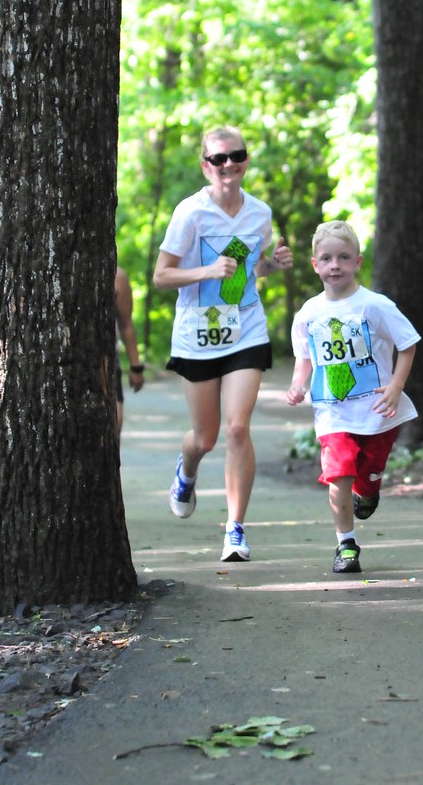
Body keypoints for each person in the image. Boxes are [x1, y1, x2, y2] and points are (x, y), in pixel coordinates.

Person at [153, 126, 293, 562]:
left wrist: (273, 264)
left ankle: (234, 529)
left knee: (237, 428)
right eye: (218, 159)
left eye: (236, 155)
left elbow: (249, 272)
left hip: (245, 328)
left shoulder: (259, 213)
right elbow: (161, 276)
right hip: (197, 333)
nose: (228, 164)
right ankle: (187, 471)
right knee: (205, 437)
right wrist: (205, 272)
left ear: (246, 160)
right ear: (205, 166)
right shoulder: (190, 213)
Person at [286, 221, 420, 574]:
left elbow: (408, 345)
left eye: (343, 258)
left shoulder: (375, 306)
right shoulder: (309, 314)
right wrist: (299, 384)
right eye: (327, 258)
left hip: (377, 412)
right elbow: (305, 356)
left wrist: (396, 387)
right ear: (315, 264)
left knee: (368, 473)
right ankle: (346, 544)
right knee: (338, 474)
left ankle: (371, 489)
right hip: (333, 414)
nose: (335, 266)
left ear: (358, 261)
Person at [115, 266, 145, 431]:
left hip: (106, 362)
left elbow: (126, 324)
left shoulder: (117, 276)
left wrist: (136, 367)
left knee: (114, 425)